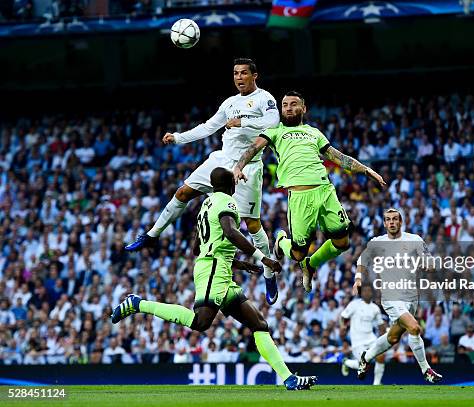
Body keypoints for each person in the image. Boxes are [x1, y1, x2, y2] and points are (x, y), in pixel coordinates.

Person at [113, 167, 317, 390]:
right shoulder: (227, 202)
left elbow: (197, 247)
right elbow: (230, 232)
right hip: (213, 269)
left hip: (218, 269)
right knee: (200, 322)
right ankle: (138, 304)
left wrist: (239, 264)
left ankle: (289, 379)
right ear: (232, 185)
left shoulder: (206, 205)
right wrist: (263, 259)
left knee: (259, 324)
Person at [125, 58, 281, 305]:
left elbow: (274, 124)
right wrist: (178, 138)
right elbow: (208, 127)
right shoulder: (229, 103)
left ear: (254, 76)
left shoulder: (265, 99)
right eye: (235, 73)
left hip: (249, 166)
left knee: (252, 225)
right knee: (183, 192)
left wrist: (244, 122)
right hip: (220, 160)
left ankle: (269, 273)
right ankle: (151, 235)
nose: (239, 77)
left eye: (243, 73)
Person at [233, 91, 385, 292]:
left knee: (342, 242)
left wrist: (366, 169)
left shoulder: (314, 132)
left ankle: (310, 264)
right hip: (300, 196)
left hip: (325, 190)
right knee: (297, 254)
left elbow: (337, 157)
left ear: (303, 108)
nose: (288, 108)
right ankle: (281, 242)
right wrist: (238, 166)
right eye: (285, 104)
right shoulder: (274, 131)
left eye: (293, 104)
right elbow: (253, 148)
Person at [354, 208, 442, 383]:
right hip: (390, 296)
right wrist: (358, 278)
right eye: (388, 219)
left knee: (393, 337)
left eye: (395, 219)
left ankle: (366, 356)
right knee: (415, 328)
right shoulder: (377, 242)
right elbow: (362, 260)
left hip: (411, 297)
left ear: (401, 222)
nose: (392, 222)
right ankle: (426, 370)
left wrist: (429, 265)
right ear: (385, 223)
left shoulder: (415, 240)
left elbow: (430, 262)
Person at [339, 284, 386, 385]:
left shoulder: (375, 308)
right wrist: (342, 326)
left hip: (371, 338)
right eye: (364, 291)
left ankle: (377, 384)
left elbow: (380, 324)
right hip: (357, 340)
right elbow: (343, 317)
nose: (367, 293)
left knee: (381, 356)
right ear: (361, 293)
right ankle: (346, 362)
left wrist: (384, 338)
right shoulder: (354, 305)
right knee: (364, 365)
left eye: (369, 291)